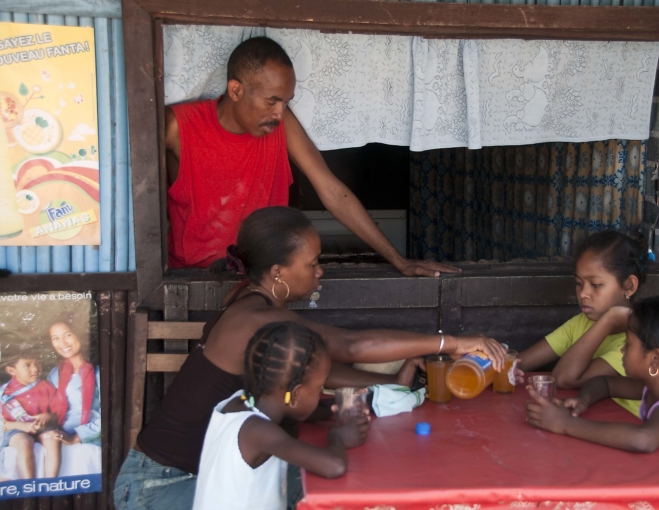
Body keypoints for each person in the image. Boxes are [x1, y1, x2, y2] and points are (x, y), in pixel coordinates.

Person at [114, 206, 505, 510]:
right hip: (160, 486)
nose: (321, 272)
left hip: (194, 476)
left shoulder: (252, 303)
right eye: (312, 263)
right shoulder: (253, 318)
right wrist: (451, 343)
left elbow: (318, 372)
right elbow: (350, 347)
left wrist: (391, 385)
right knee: (330, 486)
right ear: (278, 272)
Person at [165, 36, 456, 278]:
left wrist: (399, 260)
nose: (279, 114)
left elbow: (331, 190)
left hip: (264, 283)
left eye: (285, 102)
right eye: (271, 101)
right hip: (192, 280)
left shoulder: (279, 125)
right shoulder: (178, 127)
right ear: (236, 90)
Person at [525, 295, 659, 479]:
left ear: (655, 359)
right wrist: (584, 400)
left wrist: (565, 424)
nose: (622, 350)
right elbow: (605, 383)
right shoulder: (655, 388)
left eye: (628, 344)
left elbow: (643, 439)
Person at [193, 321, 368, 510]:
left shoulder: (239, 401)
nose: (319, 395)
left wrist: (329, 413)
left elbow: (292, 409)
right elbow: (334, 466)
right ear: (295, 394)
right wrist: (337, 437)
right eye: (319, 388)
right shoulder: (258, 431)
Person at [516, 230, 648, 416]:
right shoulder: (580, 323)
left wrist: (609, 319)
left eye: (595, 284)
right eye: (579, 283)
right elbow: (519, 364)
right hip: (589, 420)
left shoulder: (639, 341)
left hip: (626, 426)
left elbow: (564, 378)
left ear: (629, 286)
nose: (583, 293)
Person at [0, 343, 60, 478]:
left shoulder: (46, 386)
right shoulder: (3, 393)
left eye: (37, 363)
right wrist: (21, 426)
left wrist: (48, 416)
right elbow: (2, 424)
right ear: (11, 370)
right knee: (24, 442)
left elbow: (58, 413)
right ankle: (29, 484)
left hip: (43, 428)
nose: (35, 368)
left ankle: (51, 482)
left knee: (53, 439)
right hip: (16, 431)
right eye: (27, 365)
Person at [47, 316, 101, 446]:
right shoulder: (54, 374)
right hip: (58, 438)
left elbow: (110, 414)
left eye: (67, 335)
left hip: (89, 439)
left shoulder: (98, 371)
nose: (63, 343)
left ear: (79, 335)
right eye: (56, 338)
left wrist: (75, 438)